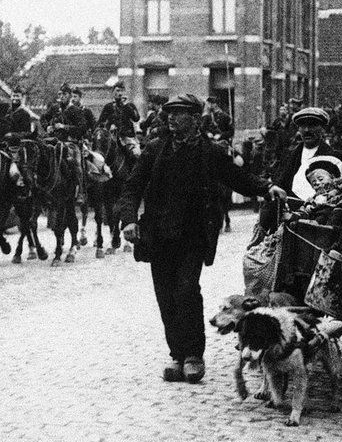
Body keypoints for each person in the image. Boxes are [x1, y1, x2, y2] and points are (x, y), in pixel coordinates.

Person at [116, 93, 285, 383]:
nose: (171, 117)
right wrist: (130, 219)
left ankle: (194, 355)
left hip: (194, 236)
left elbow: (237, 178)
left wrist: (266, 187)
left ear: (194, 119)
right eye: (170, 113)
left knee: (186, 291)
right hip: (159, 236)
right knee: (166, 296)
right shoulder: (154, 149)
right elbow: (132, 187)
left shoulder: (211, 152)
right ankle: (176, 355)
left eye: (179, 113)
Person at [97, 81, 142, 158]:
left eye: (122, 91)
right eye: (117, 91)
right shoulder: (109, 107)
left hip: (127, 138)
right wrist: (108, 127)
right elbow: (100, 122)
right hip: (112, 138)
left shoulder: (129, 105)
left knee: (136, 155)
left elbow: (136, 118)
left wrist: (127, 106)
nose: (120, 93)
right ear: (113, 92)